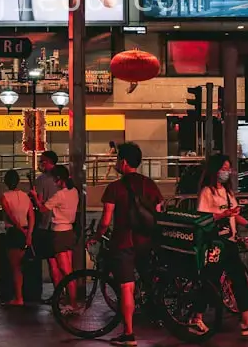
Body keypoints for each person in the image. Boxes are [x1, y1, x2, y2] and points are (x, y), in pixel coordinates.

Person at [89, 142, 163, 347]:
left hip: (123, 242)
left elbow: (105, 221)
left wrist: (96, 236)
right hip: (146, 241)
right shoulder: (150, 185)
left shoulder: (115, 188)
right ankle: (162, 315)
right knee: (149, 281)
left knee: (126, 288)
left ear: (123, 161)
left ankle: (129, 333)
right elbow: (158, 212)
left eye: (116, 159)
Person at [193, 155, 248, 336]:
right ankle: (196, 318)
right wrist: (223, 214)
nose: (227, 172)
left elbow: (234, 214)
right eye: (224, 168)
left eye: (229, 169)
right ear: (215, 170)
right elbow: (202, 218)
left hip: (230, 242)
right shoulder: (207, 192)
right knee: (210, 280)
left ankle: (246, 320)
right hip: (215, 244)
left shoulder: (227, 192)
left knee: (240, 281)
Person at [31, 165, 79, 310]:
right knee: (68, 269)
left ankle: (72, 303)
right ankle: (70, 301)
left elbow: (42, 208)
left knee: (65, 271)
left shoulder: (60, 195)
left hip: (59, 233)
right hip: (69, 231)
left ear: (59, 179)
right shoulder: (74, 191)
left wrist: (34, 197)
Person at [0, 169, 34, 306]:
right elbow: (31, 216)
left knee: (15, 267)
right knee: (24, 265)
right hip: (26, 231)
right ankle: (24, 295)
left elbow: (11, 217)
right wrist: (29, 233)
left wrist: (21, 230)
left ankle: (18, 297)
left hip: (14, 233)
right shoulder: (25, 196)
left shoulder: (5, 196)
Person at [31, 151, 59, 294]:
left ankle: (57, 293)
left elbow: (40, 202)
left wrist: (34, 196)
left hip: (46, 224)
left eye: (42, 161)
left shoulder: (42, 179)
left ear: (48, 162)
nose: (40, 164)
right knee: (63, 262)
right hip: (63, 225)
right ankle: (66, 293)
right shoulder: (62, 178)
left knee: (52, 262)